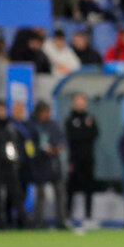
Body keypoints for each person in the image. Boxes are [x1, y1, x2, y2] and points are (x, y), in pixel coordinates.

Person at [0, 99, 28, 229]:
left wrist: (16, 160)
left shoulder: (10, 125)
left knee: (16, 194)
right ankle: (0, 222)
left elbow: (14, 145)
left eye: (2, 109)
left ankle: (23, 222)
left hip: (10, 165)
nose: (0, 112)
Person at [29, 101, 68, 229]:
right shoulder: (33, 125)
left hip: (54, 164)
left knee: (60, 192)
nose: (47, 115)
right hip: (40, 164)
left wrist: (58, 147)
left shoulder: (53, 124)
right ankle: (38, 221)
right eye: (45, 112)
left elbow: (62, 138)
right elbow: (31, 144)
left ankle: (61, 221)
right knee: (40, 195)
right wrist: (42, 149)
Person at [65, 93, 99, 226]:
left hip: (88, 159)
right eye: (77, 101)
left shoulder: (90, 118)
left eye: (82, 101)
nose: (80, 104)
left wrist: (83, 133)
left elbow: (95, 134)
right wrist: (85, 132)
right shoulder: (70, 119)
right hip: (74, 160)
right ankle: (67, 216)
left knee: (89, 188)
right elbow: (73, 136)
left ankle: (88, 217)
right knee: (71, 188)